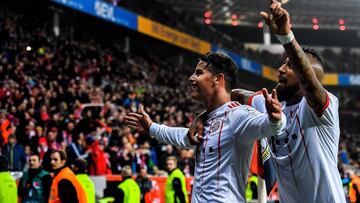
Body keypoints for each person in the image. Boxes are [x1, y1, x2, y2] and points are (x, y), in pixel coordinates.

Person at [125, 51, 286, 202]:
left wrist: (276, 119)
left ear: (218, 79)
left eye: (199, 73)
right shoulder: (205, 121)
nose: (191, 78)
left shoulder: (238, 115)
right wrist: (151, 127)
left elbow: (269, 126)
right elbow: (181, 136)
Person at [229, 0, 346, 202]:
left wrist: (285, 36)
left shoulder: (322, 110)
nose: (281, 70)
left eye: (290, 66)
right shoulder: (271, 105)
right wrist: (208, 113)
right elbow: (237, 94)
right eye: (284, 64)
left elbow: (308, 82)